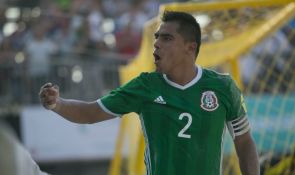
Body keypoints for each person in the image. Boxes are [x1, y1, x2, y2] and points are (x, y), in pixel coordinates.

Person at [39, 11, 260, 175]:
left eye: (166, 38)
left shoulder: (223, 87)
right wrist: (57, 104)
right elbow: (90, 113)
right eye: (156, 37)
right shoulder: (145, 86)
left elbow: (244, 142)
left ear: (190, 48)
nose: (156, 44)